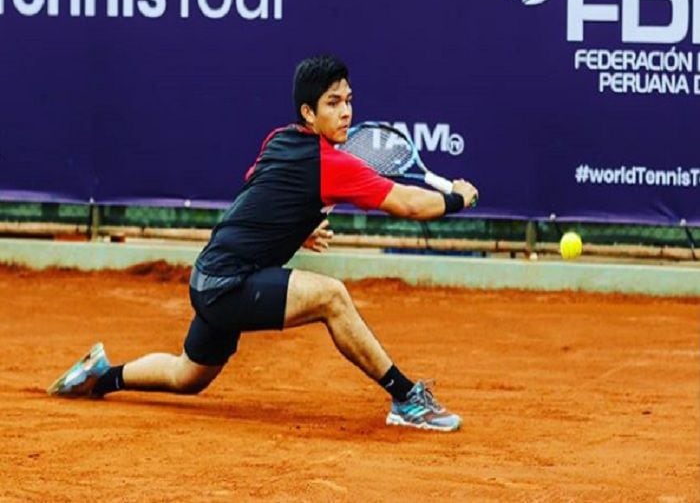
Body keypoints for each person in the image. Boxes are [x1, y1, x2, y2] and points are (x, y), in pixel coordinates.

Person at [48, 55, 479, 432]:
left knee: (187, 376)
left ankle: (101, 377)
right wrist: (458, 198)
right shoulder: (330, 163)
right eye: (333, 103)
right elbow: (408, 204)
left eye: (349, 100)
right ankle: (406, 398)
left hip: (210, 275)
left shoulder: (281, 139)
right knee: (331, 297)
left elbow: (259, 193)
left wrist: (299, 227)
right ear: (309, 112)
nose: (346, 111)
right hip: (229, 283)